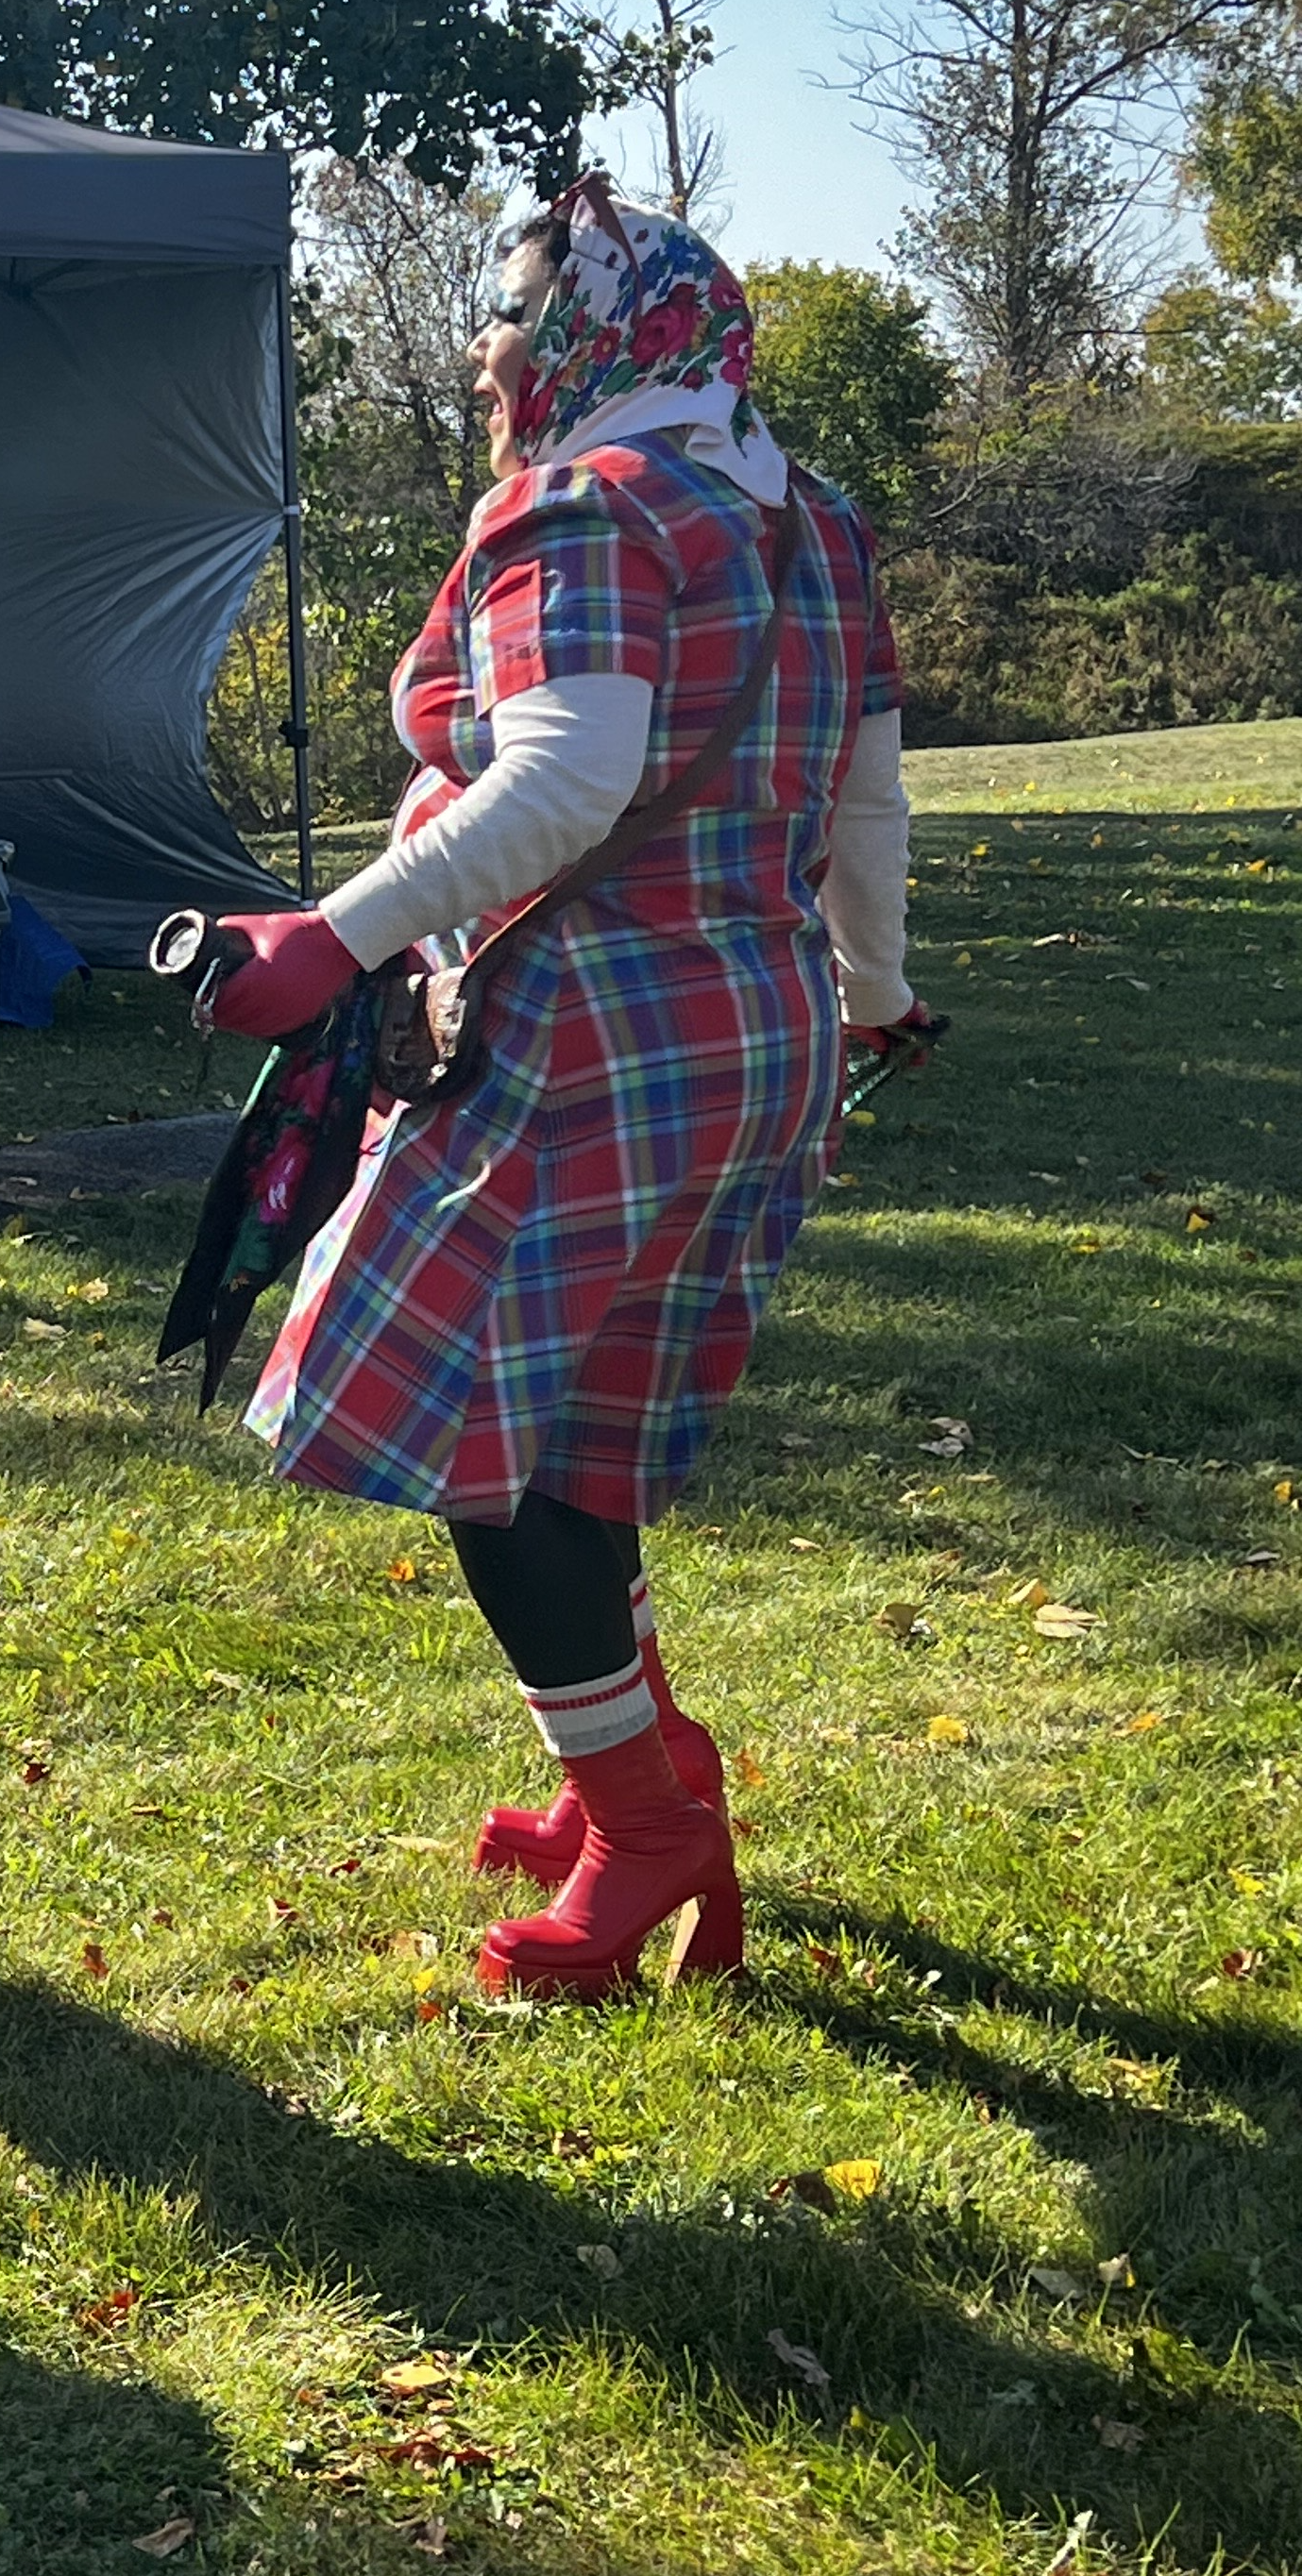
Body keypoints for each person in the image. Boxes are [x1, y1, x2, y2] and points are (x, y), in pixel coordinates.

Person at [211, 178, 932, 2003]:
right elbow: (861, 804)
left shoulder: (581, 509)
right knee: (577, 1422)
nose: (483, 337)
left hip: (585, 1040)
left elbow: (560, 781)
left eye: (508, 301)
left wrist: (330, 935)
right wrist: (869, 990)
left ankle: (641, 1820)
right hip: (757, 1037)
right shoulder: (811, 521)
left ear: (601, 331)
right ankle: (633, 1766)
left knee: (468, 1439)